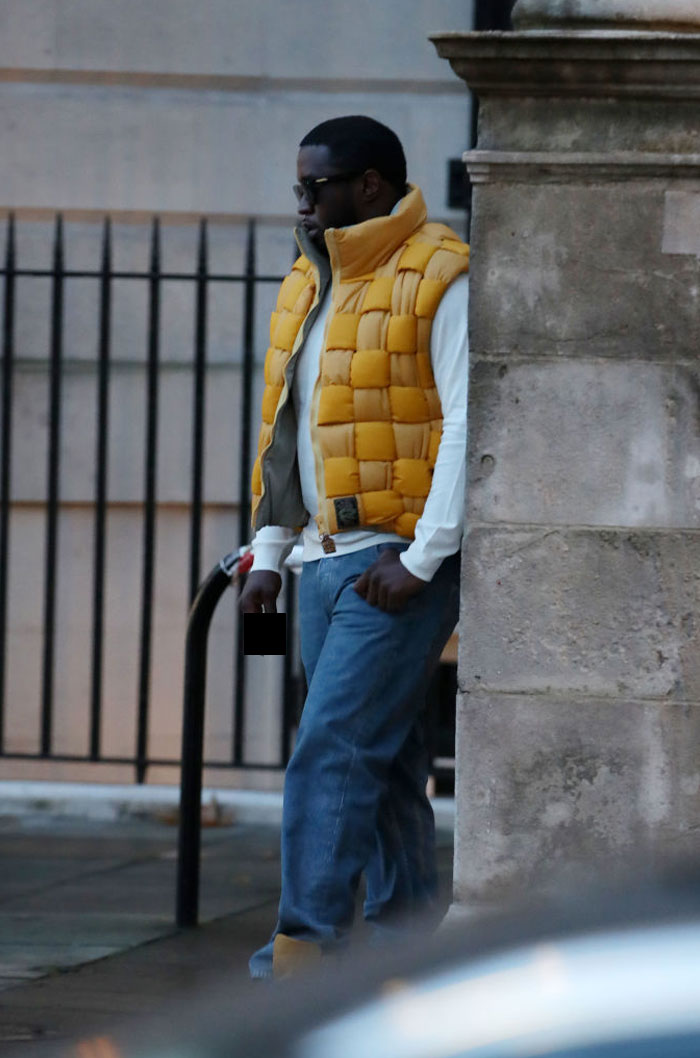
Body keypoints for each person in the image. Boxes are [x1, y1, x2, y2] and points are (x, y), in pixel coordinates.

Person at [240, 115, 470, 979]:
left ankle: (302, 954)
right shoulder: (310, 281)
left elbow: (465, 427)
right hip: (322, 559)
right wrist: (268, 549)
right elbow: (285, 428)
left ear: (370, 185)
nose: (302, 203)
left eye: (318, 187)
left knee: (330, 751)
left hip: (392, 563)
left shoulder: (441, 275)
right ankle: (410, 948)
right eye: (299, 187)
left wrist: (421, 560)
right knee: (387, 754)